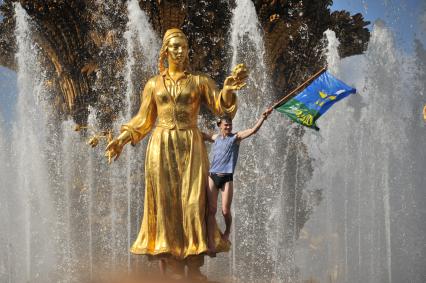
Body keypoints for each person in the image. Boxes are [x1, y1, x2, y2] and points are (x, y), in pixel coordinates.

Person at [105, 28, 247, 280]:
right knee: (167, 205)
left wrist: (227, 90)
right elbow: (143, 119)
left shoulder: (200, 81)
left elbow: (221, 107)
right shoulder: (153, 84)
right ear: (166, 51)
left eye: (184, 46)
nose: (180, 51)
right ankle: (171, 266)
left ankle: (194, 264)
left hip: (191, 146)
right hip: (161, 147)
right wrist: (122, 139)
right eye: (175, 47)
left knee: (194, 203)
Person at [203, 108, 272, 253]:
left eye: (230, 125)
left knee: (225, 211)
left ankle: (227, 232)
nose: (228, 127)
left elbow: (253, 130)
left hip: (227, 177)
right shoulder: (215, 138)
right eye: (225, 125)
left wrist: (263, 117)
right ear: (220, 125)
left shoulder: (236, 138)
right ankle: (210, 242)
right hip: (212, 176)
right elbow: (203, 136)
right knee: (211, 210)